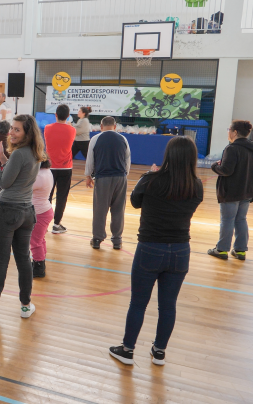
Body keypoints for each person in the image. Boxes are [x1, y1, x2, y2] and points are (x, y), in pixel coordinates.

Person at [109, 136, 204, 367]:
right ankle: (159, 351)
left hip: (150, 248)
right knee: (168, 305)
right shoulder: (196, 185)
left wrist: (147, 175)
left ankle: (127, 350)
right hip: (180, 251)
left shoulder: (151, 180)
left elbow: (134, 201)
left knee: (138, 303)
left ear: (168, 155)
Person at [0, 114, 45, 318]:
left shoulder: (19, 154)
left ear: (27, 132)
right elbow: (16, 173)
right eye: (12, 129)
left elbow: (4, 183)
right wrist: (1, 157)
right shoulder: (34, 152)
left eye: (17, 129)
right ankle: (26, 305)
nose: (12, 133)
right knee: (24, 259)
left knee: (1, 260)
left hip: (7, 211)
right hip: (26, 212)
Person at [207, 120, 253, 261]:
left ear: (235, 132)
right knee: (241, 219)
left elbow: (226, 170)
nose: (228, 132)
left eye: (229, 130)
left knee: (227, 220)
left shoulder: (232, 148)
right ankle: (240, 250)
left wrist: (214, 166)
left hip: (231, 191)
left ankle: (221, 250)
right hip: (246, 190)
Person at [84, 116, 131, 250]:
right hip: (120, 177)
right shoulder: (123, 139)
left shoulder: (95, 139)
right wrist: (124, 175)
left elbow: (90, 160)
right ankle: (117, 240)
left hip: (103, 178)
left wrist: (88, 175)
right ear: (115, 126)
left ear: (101, 126)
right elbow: (127, 160)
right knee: (118, 210)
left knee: (100, 210)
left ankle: (97, 239)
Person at [44, 104, 76, 234]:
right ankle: (56, 225)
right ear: (68, 116)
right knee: (62, 197)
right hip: (65, 168)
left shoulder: (47, 128)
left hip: (49, 167)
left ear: (55, 115)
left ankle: (43, 223)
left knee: (47, 196)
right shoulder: (72, 130)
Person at [30, 160, 53, 278]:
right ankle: (40, 261)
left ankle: (39, 267)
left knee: (35, 241)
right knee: (40, 239)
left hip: (39, 213)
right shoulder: (46, 171)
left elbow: (23, 185)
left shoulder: (39, 176)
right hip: (44, 210)